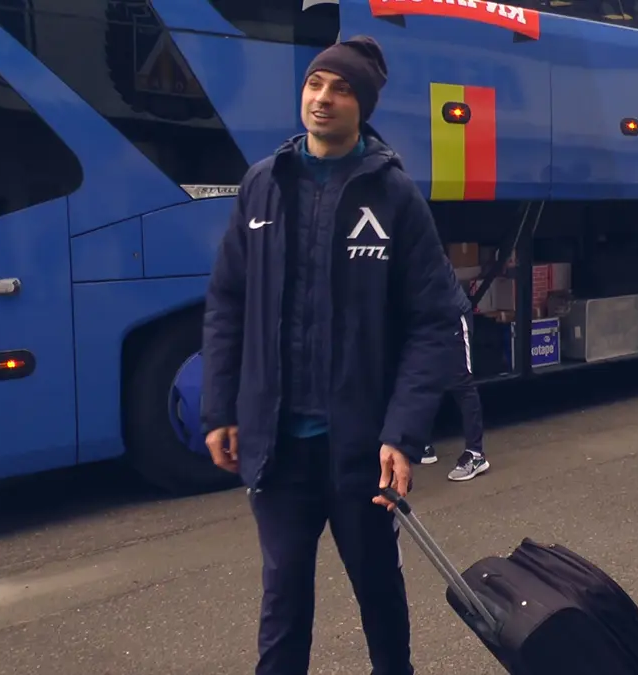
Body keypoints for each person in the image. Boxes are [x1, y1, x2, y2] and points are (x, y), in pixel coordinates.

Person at [199, 35, 459, 675]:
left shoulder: (394, 196)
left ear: (362, 106)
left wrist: (402, 432)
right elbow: (227, 303)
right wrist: (220, 408)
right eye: (315, 83)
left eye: (341, 89)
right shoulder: (263, 185)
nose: (323, 98)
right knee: (283, 596)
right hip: (278, 447)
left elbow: (433, 322)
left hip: (361, 448)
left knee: (378, 589)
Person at [420, 288, 489, 482]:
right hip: (424, 318)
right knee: (423, 376)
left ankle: (475, 454)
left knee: (461, 382)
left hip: (450, 315)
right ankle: (422, 444)